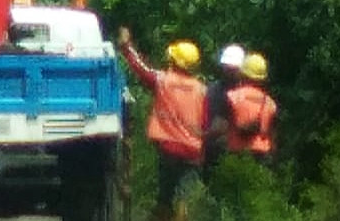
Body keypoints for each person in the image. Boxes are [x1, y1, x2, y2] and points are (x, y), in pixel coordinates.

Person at [118, 27, 206, 221]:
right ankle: (181, 210)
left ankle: (166, 211)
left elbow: (140, 68)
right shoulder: (202, 90)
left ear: (174, 61)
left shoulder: (163, 80)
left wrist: (126, 46)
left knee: (165, 194)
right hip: (194, 151)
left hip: (168, 148)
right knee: (186, 194)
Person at [225, 52, 278, 165]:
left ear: (242, 74)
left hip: (238, 153)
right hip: (262, 154)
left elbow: (221, 125)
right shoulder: (270, 102)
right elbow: (272, 134)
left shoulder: (233, 96)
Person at [202, 43, 245, 173]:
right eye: (228, 68)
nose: (230, 72)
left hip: (240, 150)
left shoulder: (247, 93)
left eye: (233, 68)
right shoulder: (212, 91)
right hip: (213, 150)